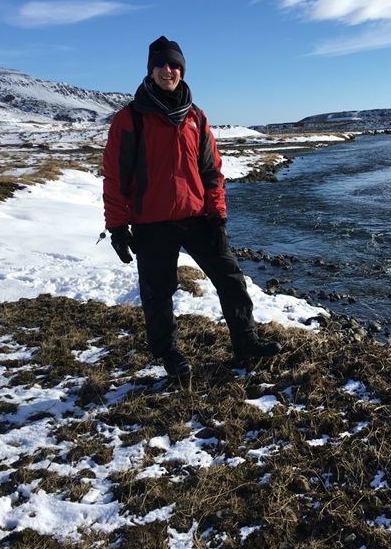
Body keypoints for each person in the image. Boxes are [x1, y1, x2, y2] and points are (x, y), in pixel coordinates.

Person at [102, 35, 280, 379]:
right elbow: (114, 176)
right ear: (151, 70)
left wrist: (217, 211)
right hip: (152, 222)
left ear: (182, 70)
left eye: (174, 65)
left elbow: (212, 170)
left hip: (197, 217)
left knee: (230, 278)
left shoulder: (196, 116)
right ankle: (169, 355)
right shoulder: (130, 119)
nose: (168, 70)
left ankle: (245, 340)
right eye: (161, 64)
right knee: (158, 292)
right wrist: (117, 226)